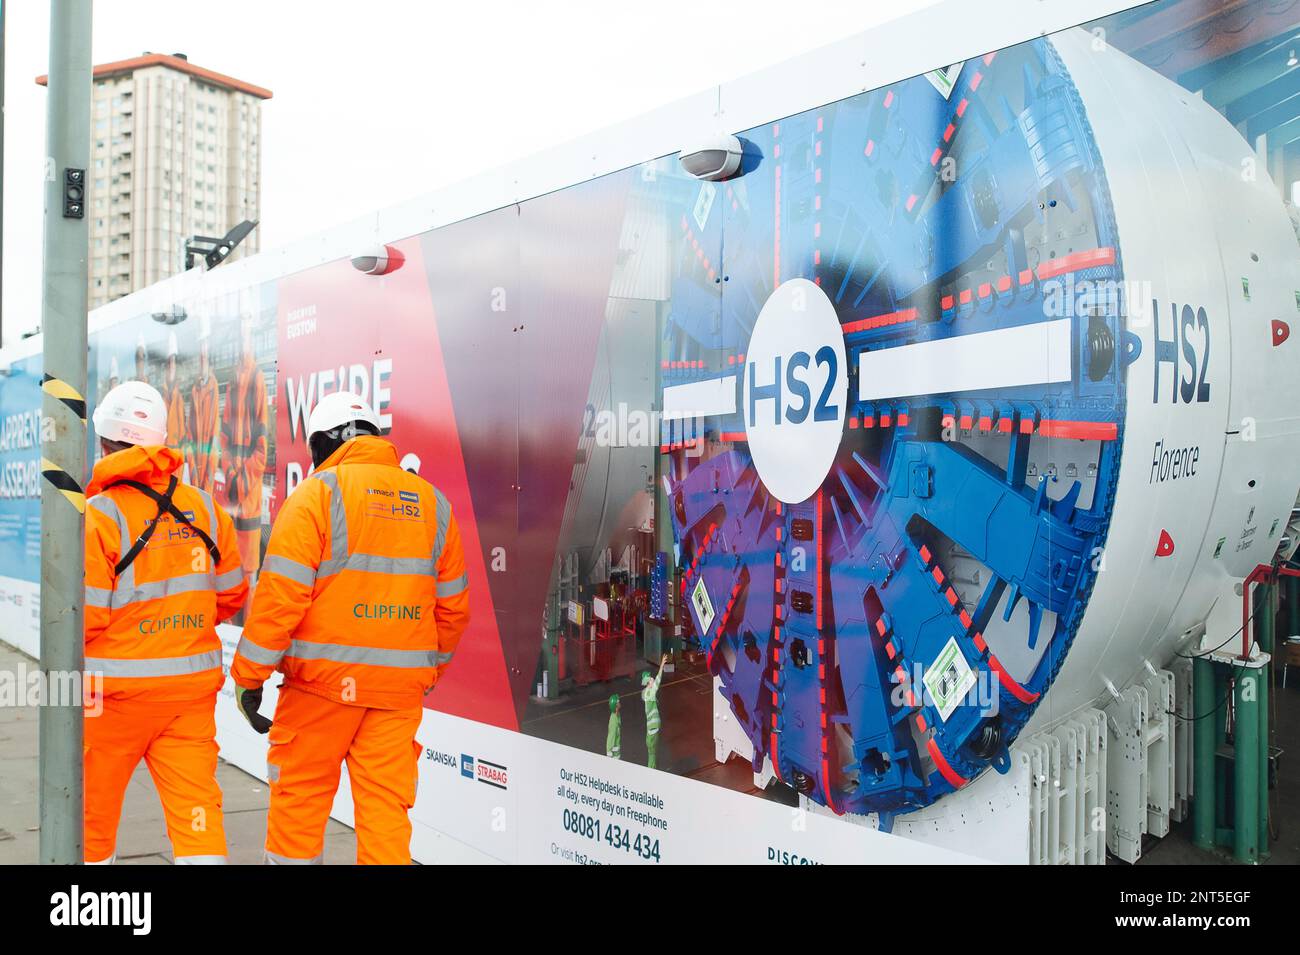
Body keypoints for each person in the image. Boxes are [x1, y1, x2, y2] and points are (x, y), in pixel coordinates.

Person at [229, 391, 471, 865]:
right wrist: (422, 671)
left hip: (320, 689)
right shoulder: (433, 504)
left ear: (325, 443)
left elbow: (280, 601)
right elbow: (454, 610)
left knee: (299, 808)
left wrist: (248, 677)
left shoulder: (315, 497)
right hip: (396, 697)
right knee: (385, 820)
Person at [83, 381, 248, 864]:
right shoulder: (204, 508)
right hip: (188, 698)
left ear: (104, 443)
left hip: (112, 700)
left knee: (92, 815)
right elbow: (232, 594)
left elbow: (84, 619)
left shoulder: (98, 515)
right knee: (196, 813)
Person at [221, 314, 268, 585]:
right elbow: (224, 439)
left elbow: (261, 447)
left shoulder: (257, 379)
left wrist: (240, 480)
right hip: (233, 490)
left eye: (247, 335)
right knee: (230, 569)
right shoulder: (231, 384)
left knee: (249, 572)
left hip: (247, 494)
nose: (243, 342)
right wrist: (231, 473)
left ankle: (244, 629)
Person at [185, 316, 220, 494]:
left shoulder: (213, 390)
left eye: (206, 347)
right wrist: (194, 475)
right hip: (195, 473)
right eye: (201, 348)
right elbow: (190, 436)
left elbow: (214, 438)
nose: (203, 355)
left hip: (206, 470)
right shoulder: (194, 392)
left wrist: (205, 485)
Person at [162, 331, 187, 457]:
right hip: (163, 454)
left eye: (174, 362)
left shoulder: (180, 398)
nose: (172, 366)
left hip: (176, 455)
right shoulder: (161, 399)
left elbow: (183, 432)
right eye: (169, 362)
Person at [641, 654, 668, 769]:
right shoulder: (650, 693)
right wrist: (662, 664)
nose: (652, 678)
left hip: (651, 731)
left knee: (652, 755)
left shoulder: (646, 693)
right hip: (652, 731)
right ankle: (651, 774)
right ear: (648, 682)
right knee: (652, 757)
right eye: (650, 678)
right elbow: (658, 680)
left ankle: (652, 771)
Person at [606, 694, 621, 760]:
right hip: (613, 753)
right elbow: (611, 735)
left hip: (616, 749)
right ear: (615, 705)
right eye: (618, 702)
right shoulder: (614, 719)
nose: (620, 703)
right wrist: (609, 750)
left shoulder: (617, 715)